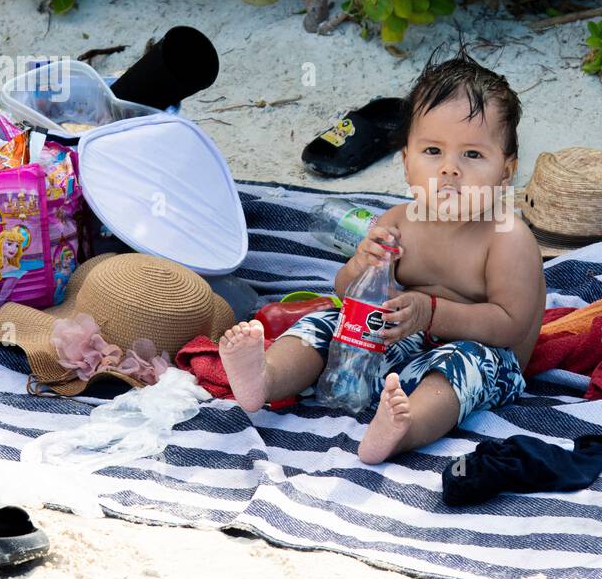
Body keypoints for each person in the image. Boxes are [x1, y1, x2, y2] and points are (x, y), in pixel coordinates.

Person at [220, 49, 546, 463]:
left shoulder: (507, 237)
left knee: (463, 364)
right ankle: (266, 378)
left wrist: (430, 312)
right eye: (433, 152)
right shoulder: (398, 221)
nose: (450, 169)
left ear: (506, 170)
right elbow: (348, 293)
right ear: (407, 163)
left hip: (483, 357)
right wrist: (362, 266)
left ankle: (404, 428)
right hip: (396, 347)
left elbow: (510, 326)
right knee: (330, 320)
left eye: (473, 154)